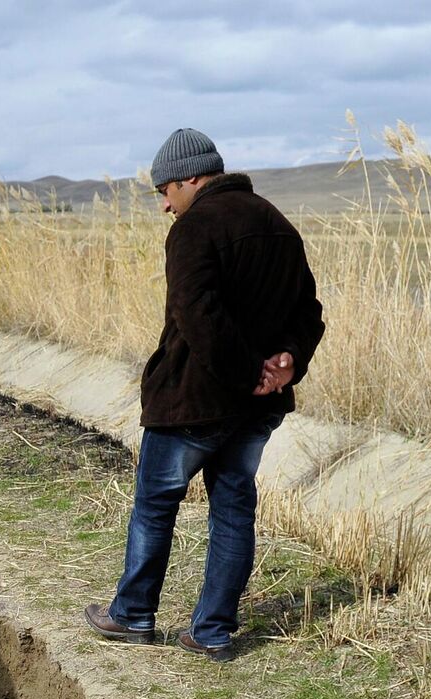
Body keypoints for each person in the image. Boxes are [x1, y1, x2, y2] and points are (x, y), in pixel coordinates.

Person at [84, 127, 324, 662]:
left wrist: (246, 374)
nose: (166, 206)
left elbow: (198, 317)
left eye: (166, 191)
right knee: (234, 510)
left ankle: (132, 615)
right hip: (256, 407)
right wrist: (286, 361)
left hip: (193, 401)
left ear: (192, 177)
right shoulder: (278, 224)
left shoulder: (196, 227)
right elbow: (308, 313)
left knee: (154, 506)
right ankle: (212, 632)